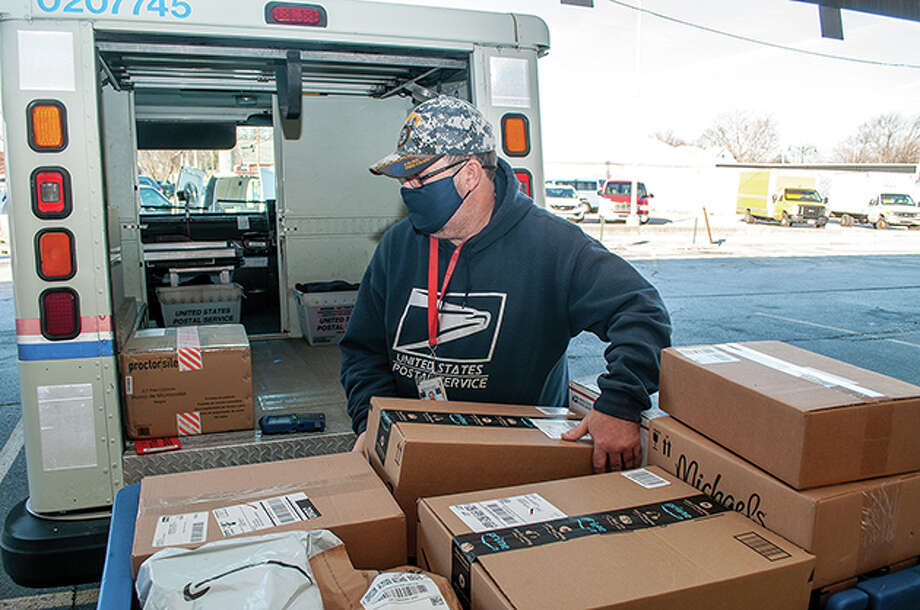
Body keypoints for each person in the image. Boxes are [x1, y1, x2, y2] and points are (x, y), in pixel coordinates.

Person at [340, 95, 671, 472]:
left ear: (469, 174)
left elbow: (642, 312)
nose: (408, 189)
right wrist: (371, 420)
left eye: (420, 177)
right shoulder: (398, 245)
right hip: (413, 451)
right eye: (404, 179)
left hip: (519, 457)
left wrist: (619, 403)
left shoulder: (552, 245)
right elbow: (362, 350)